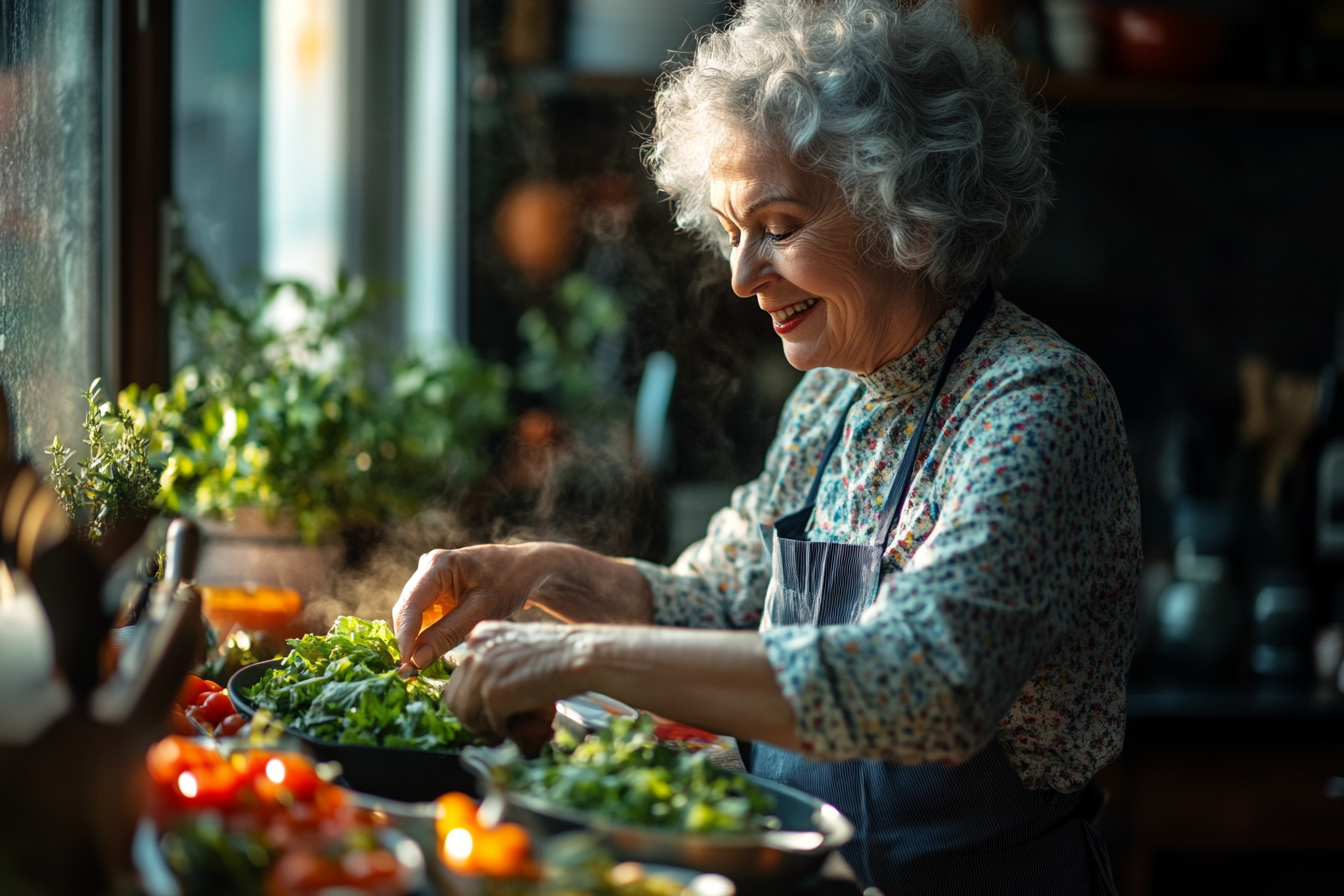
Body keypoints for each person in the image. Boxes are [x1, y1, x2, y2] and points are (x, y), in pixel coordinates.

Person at [394, 2, 1140, 892]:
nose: (743, 277)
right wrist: (538, 573)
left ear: (916, 213)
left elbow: (927, 682)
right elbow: (720, 602)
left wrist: (574, 655)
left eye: (779, 228)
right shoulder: (834, 397)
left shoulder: (1036, 406)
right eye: (732, 231)